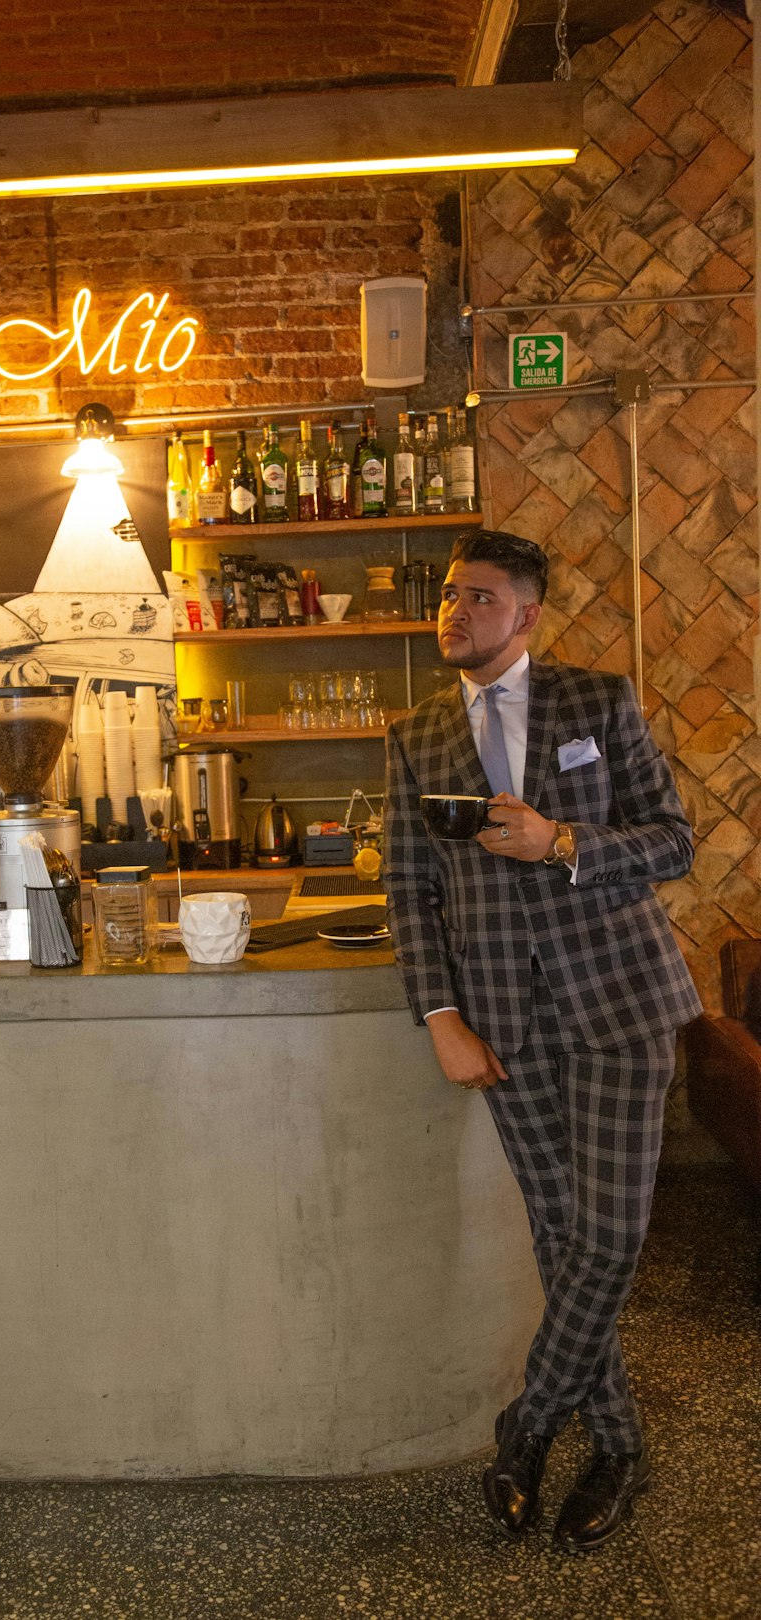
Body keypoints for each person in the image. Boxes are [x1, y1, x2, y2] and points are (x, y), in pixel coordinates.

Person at [383, 529, 702, 1553]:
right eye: (447, 594)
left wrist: (560, 840)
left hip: (621, 1006)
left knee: (608, 1239)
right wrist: (441, 1016)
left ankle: (526, 1426)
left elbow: (672, 840)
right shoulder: (414, 736)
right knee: (562, 1242)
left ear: (526, 615)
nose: (456, 611)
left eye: (479, 597)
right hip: (502, 1029)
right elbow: (407, 888)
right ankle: (617, 1447)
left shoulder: (598, 703)